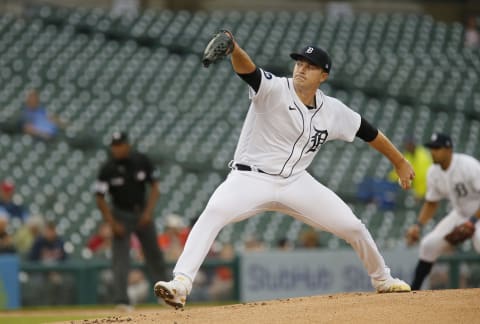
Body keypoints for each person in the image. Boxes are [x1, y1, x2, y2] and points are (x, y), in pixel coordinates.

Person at [154, 32, 415, 309]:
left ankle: (382, 279)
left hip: (296, 182)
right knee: (213, 213)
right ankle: (181, 283)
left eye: (310, 65)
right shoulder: (274, 88)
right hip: (250, 177)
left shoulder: (333, 110)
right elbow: (249, 71)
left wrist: (399, 161)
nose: (301, 68)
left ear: (323, 76)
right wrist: (234, 48)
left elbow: (368, 131)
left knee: (353, 227)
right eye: (299, 63)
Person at [95, 131, 166, 307]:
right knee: (121, 260)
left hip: (142, 213)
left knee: (154, 254)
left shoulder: (141, 161)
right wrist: (112, 223)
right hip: (121, 215)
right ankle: (121, 300)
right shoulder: (108, 168)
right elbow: (99, 197)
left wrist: (148, 213)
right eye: (114, 146)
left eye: (120, 145)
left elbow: (155, 186)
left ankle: (165, 295)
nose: (117, 149)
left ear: (128, 145)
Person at [405, 133, 480, 290]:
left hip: (477, 214)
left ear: (449, 149)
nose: (433, 151)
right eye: (431, 148)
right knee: (428, 245)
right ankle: (412, 293)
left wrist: (472, 221)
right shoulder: (433, 172)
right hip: (460, 214)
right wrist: (418, 225)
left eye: (437, 148)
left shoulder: (468, 165)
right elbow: (432, 203)